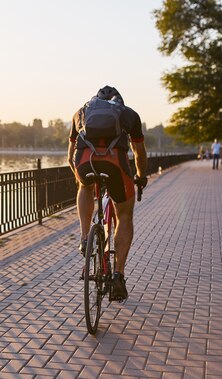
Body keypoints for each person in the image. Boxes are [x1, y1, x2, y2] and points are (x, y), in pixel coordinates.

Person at [67, 85, 147, 301]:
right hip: (115, 165)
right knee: (124, 215)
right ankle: (118, 276)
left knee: (83, 186)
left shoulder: (80, 112)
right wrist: (141, 176)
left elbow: (70, 155)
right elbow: (139, 154)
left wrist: (81, 178)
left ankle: (85, 237)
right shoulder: (129, 114)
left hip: (85, 162)